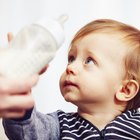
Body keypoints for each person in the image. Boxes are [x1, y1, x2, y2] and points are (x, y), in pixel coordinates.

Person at [2, 19, 140, 140]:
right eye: (71, 59)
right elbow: (26, 133)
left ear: (125, 89)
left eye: (89, 61)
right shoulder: (59, 125)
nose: (71, 67)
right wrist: (18, 92)